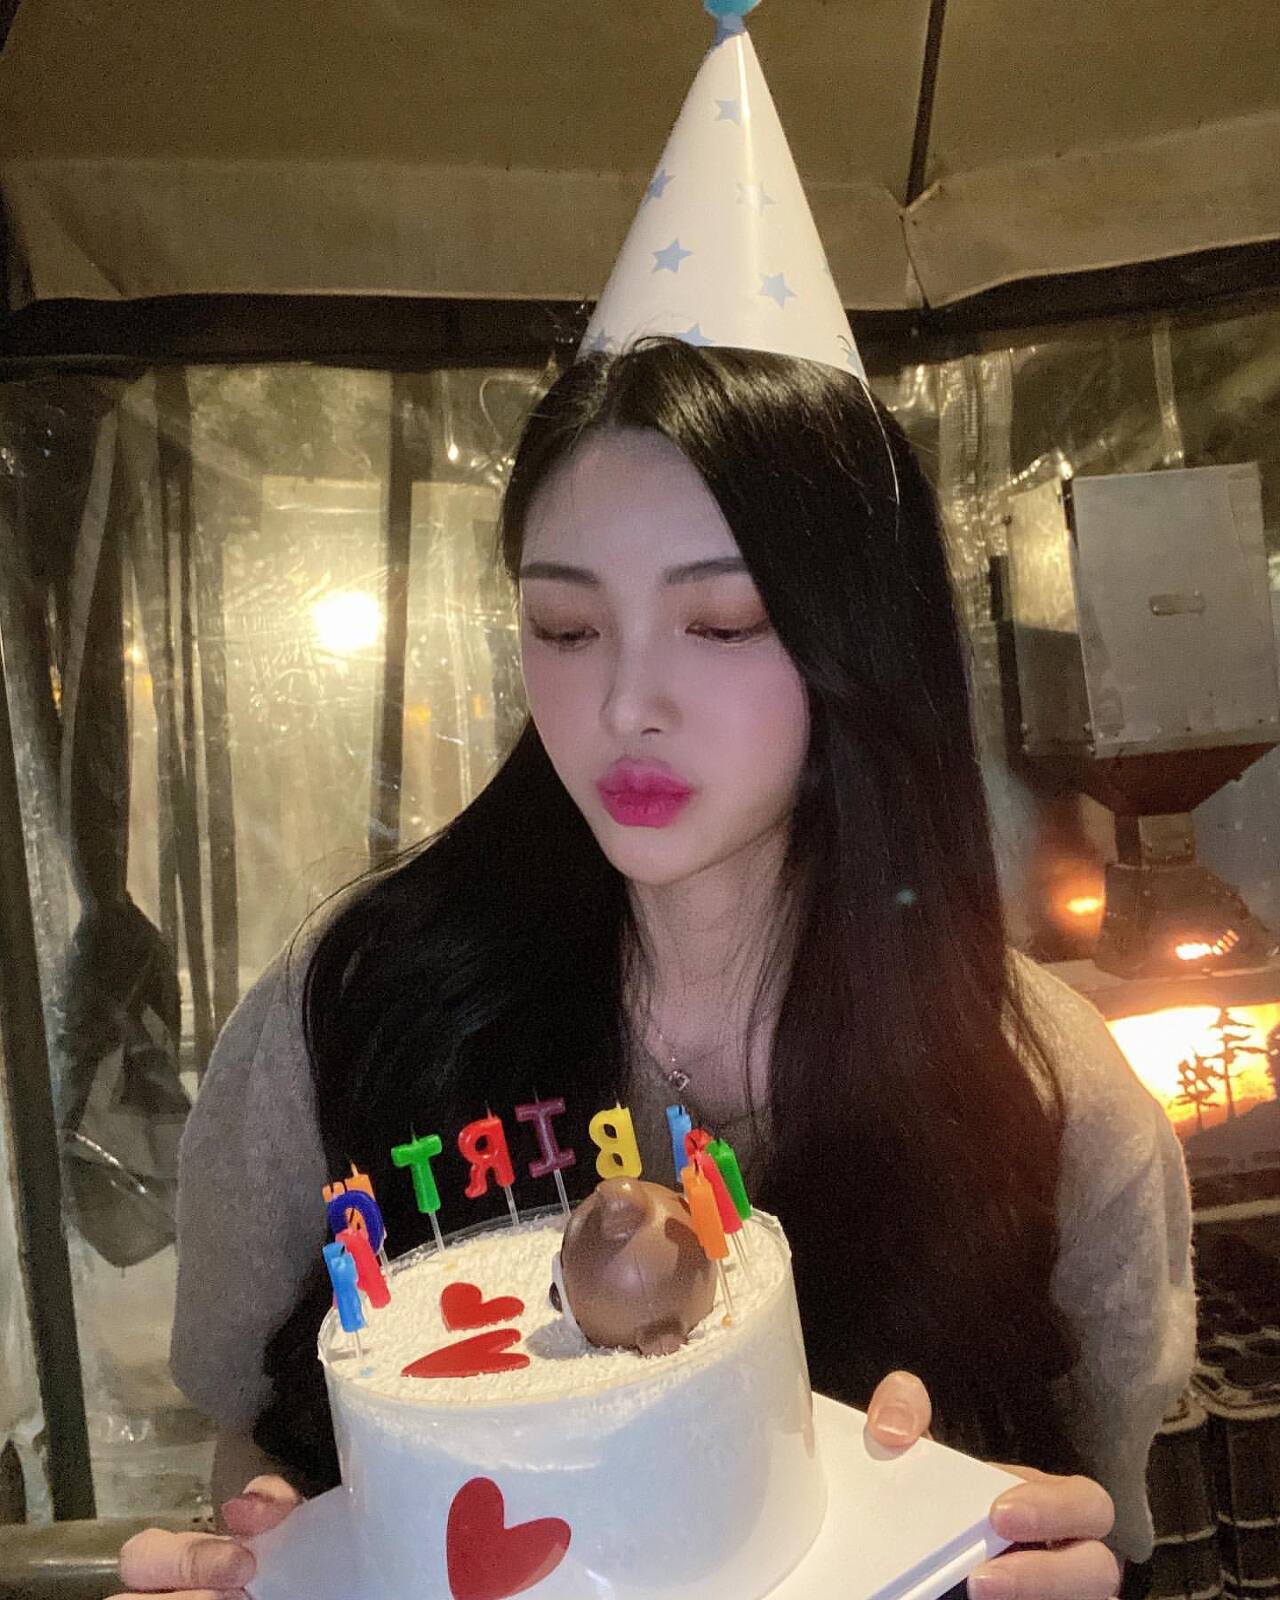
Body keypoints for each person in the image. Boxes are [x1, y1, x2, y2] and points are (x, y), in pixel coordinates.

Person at [113, 341, 1193, 1600]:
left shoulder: (1045, 1092)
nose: (625, 701)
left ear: (860, 641)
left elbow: (1101, 1512)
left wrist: (1034, 1557)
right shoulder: (359, 1007)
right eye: (565, 626)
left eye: (719, 622)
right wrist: (249, 1550)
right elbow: (245, 1434)